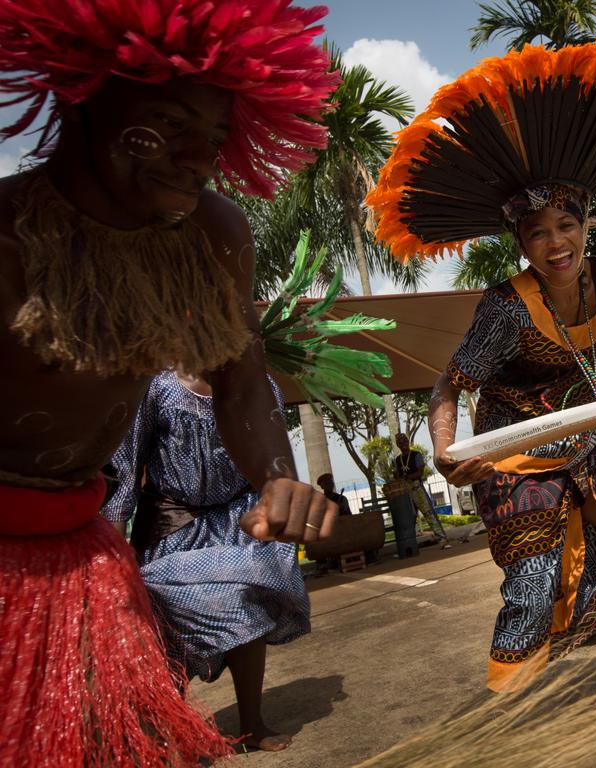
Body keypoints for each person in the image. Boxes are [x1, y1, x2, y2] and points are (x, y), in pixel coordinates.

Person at [366, 43, 596, 753]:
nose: (555, 242)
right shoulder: (507, 307)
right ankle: (496, 736)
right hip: (514, 463)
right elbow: (454, 382)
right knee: (534, 593)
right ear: (521, 243)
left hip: (585, 447)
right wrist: (450, 450)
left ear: (585, 223)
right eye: (537, 233)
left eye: (565, 225)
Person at [0, 2, 340, 763]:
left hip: (84, 562)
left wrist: (275, 476)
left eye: (214, 136)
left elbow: (241, 378)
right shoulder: (9, 240)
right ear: (81, 100)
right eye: (163, 125)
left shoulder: (213, 235)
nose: (196, 157)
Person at [103, 370, 311, 753]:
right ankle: (166, 731)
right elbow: (126, 463)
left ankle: (252, 723)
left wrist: (278, 503)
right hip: (173, 523)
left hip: (238, 522)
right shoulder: (156, 386)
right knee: (167, 633)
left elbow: (273, 456)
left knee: (244, 614)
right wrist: (112, 549)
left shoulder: (258, 385)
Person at [393, 433, 451, 549]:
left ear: (408, 441)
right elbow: (397, 476)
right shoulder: (397, 460)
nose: (403, 443)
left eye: (404, 440)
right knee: (408, 518)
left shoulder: (416, 455)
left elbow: (420, 473)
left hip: (417, 488)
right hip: (405, 492)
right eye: (400, 442)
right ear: (397, 445)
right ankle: (409, 546)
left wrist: (406, 477)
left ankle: (442, 539)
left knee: (429, 514)